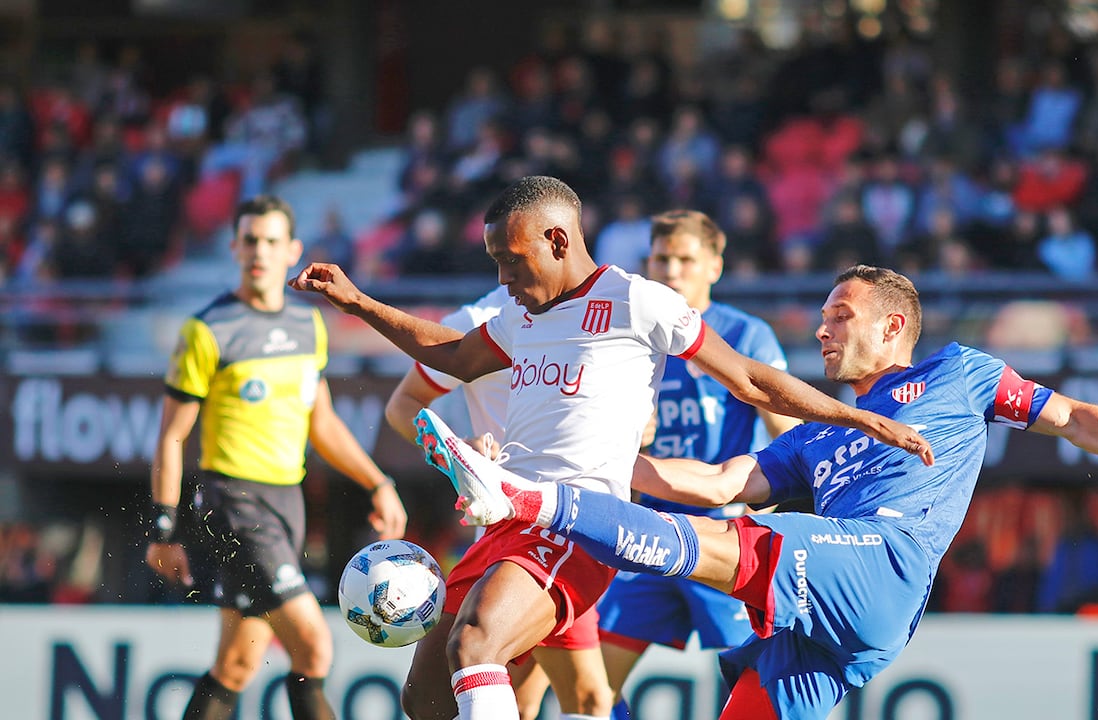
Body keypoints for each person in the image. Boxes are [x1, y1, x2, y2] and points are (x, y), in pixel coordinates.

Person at [423, 264, 1098, 720]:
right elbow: (717, 482)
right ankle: (537, 493)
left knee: (730, 549)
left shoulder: (961, 375)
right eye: (821, 317)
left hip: (885, 562)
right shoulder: (823, 433)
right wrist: (593, 463)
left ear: (892, 325)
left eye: (838, 316)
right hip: (833, 619)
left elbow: (1073, 419)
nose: (820, 331)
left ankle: (525, 505)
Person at [288, 175, 932, 720]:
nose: (504, 276)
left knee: (476, 645)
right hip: (506, 518)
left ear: (558, 240)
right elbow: (454, 356)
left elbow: (752, 379)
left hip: (577, 523)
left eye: (512, 260)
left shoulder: (637, 301)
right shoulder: (522, 317)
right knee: (427, 702)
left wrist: (860, 419)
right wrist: (355, 301)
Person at [145, 194, 408, 720]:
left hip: (287, 503)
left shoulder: (309, 326)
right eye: (249, 241)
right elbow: (172, 437)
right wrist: (163, 528)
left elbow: (323, 423)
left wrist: (379, 483)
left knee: (235, 667)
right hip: (233, 504)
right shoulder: (207, 330)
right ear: (233, 247)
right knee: (313, 647)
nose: (258, 251)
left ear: (293, 251)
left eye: (270, 241)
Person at [595, 209, 800, 719]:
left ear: (714, 264)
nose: (672, 270)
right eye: (661, 259)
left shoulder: (744, 336)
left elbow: (787, 434)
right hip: (646, 532)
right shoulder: (630, 341)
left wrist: (782, 504)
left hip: (723, 536)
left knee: (755, 688)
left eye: (685, 259)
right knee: (591, 688)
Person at [382, 285, 613, 720]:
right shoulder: (474, 324)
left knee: (581, 698)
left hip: (567, 528)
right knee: (437, 700)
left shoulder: (600, 312)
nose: (510, 269)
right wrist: (455, 454)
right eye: (500, 256)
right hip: (500, 530)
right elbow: (402, 406)